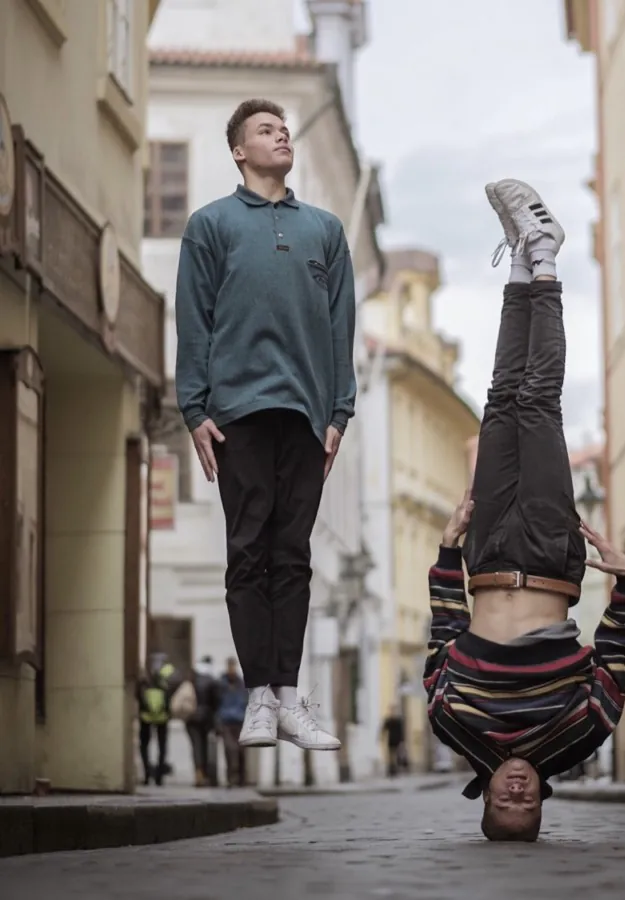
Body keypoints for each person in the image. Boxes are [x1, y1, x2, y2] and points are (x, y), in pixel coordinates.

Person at [423, 180, 625, 842]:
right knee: (538, 402)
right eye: (527, 805)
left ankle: (520, 259)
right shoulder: (580, 733)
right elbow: (616, 650)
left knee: (498, 401)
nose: (516, 792)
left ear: (484, 797)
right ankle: (546, 259)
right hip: (551, 557)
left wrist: (445, 553)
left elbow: (443, 634)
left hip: (487, 555)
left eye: (503, 804)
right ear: (542, 802)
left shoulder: (452, 722)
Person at [174, 98, 354, 753]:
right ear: (239, 151)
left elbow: (341, 327)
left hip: (307, 414)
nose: (280, 136)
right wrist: (194, 409)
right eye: (265, 130)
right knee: (247, 551)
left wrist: (339, 410)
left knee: (293, 557)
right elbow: (193, 321)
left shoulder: (325, 230)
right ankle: (257, 697)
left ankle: (288, 697)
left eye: (283, 129)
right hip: (237, 413)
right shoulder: (211, 225)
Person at [137, 656, 178, 786]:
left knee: (144, 746)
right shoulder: (168, 673)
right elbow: (172, 692)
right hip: (162, 717)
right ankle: (159, 777)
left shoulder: (144, 676)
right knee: (162, 746)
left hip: (146, 717)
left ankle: (147, 774)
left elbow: (138, 695)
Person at [184, 657, 222, 787]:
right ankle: (205, 774)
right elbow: (216, 702)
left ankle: (198, 773)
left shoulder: (191, 678)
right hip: (206, 719)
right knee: (205, 746)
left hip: (191, 717)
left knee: (196, 746)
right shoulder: (212, 680)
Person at [216, 658, 249, 787]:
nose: (231, 669)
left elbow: (247, 701)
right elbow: (216, 702)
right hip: (226, 721)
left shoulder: (241, 683)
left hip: (240, 721)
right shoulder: (221, 684)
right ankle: (231, 778)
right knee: (229, 750)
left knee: (241, 751)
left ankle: (242, 778)